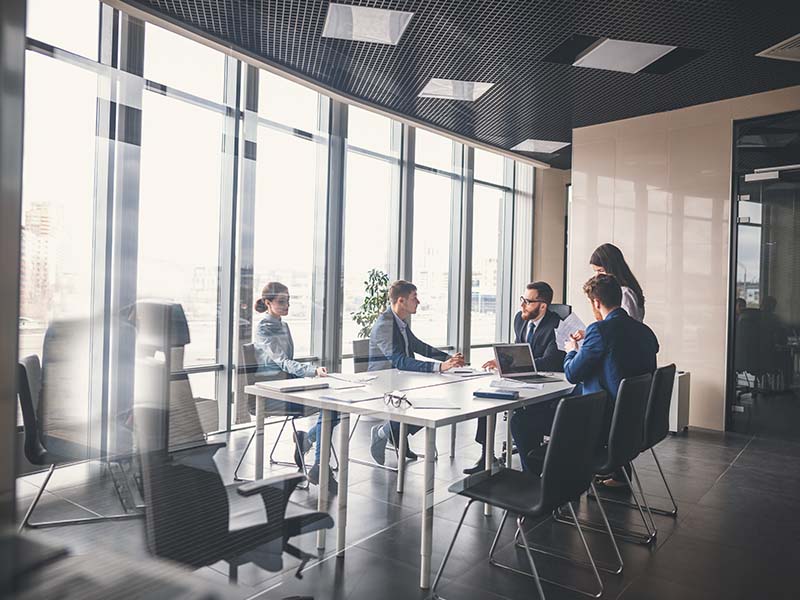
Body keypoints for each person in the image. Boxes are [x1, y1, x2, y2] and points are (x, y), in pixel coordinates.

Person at [562, 273, 659, 486]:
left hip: (606, 421)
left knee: (547, 416)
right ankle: (617, 474)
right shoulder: (645, 331)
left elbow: (572, 374)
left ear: (596, 302)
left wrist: (571, 351)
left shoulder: (599, 330)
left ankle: (559, 484)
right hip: (635, 419)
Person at [468, 281, 565, 474]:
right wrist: (502, 361)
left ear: (543, 305)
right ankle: (487, 456)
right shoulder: (520, 319)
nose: (522, 305)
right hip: (520, 377)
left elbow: (550, 361)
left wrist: (514, 364)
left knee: (522, 420)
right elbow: (518, 349)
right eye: (523, 299)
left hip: (547, 382)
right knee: (488, 397)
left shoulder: (557, 325)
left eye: (528, 301)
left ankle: (532, 472)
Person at [368, 280, 465, 465]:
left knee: (430, 403)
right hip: (383, 383)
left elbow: (418, 346)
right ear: (401, 301)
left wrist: (448, 359)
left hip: (400, 380)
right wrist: (439, 367)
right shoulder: (385, 325)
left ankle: (394, 433)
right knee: (424, 405)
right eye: (414, 298)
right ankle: (384, 432)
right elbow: (399, 360)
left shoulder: (400, 322)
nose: (418, 302)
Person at [254, 282, 338, 493]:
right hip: (272, 391)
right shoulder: (264, 327)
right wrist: (312, 371)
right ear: (268, 303)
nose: (287, 305)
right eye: (282, 301)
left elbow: (288, 362)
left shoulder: (283, 325)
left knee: (334, 406)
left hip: (288, 384)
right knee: (329, 408)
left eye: (288, 300)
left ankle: (309, 443)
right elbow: (282, 361)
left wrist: (309, 374)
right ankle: (318, 462)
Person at [589, 243, 645, 322]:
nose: (597, 276)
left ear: (612, 269)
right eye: (596, 271)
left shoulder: (625, 293)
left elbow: (628, 328)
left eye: (601, 271)